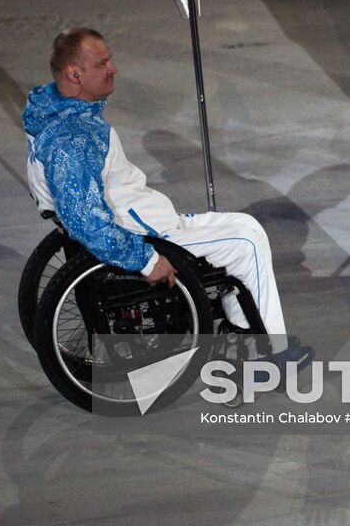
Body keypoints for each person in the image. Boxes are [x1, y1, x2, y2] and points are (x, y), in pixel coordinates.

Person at [23, 27, 288, 340]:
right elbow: (84, 218)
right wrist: (147, 261)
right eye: (102, 64)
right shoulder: (72, 138)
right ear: (74, 74)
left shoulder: (60, 112)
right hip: (144, 236)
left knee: (245, 224)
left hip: (146, 221)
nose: (114, 68)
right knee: (247, 241)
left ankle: (243, 329)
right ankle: (268, 354)